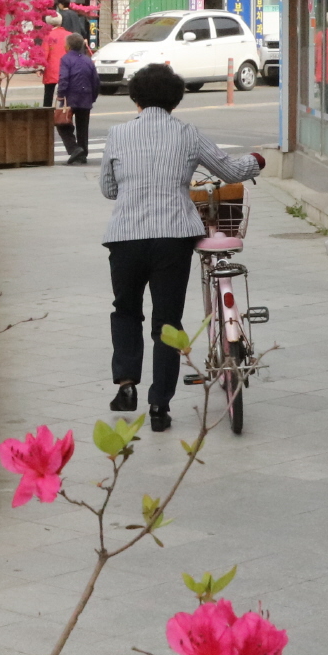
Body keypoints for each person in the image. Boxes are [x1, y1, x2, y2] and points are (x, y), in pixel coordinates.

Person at [95, 62, 261, 432]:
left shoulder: (118, 134)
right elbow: (230, 170)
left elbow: (108, 189)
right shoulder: (187, 133)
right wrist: (258, 161)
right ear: (176, 99)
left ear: (135, 97)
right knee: (167, 322)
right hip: (173, 237)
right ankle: (159, 407)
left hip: (125, 236)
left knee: (125, 310)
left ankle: (125, 384)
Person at [55, 33, 98, 165]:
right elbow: (95, 80)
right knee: (83, 127)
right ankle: (83, 153)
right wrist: (93, 97)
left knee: (62, 124)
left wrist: (61, 94)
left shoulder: (66, 59)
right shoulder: (88, 60)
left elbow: (64, 78)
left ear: (67, 46)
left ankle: (74, 148)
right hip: (86, 97)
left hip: (70, 96)